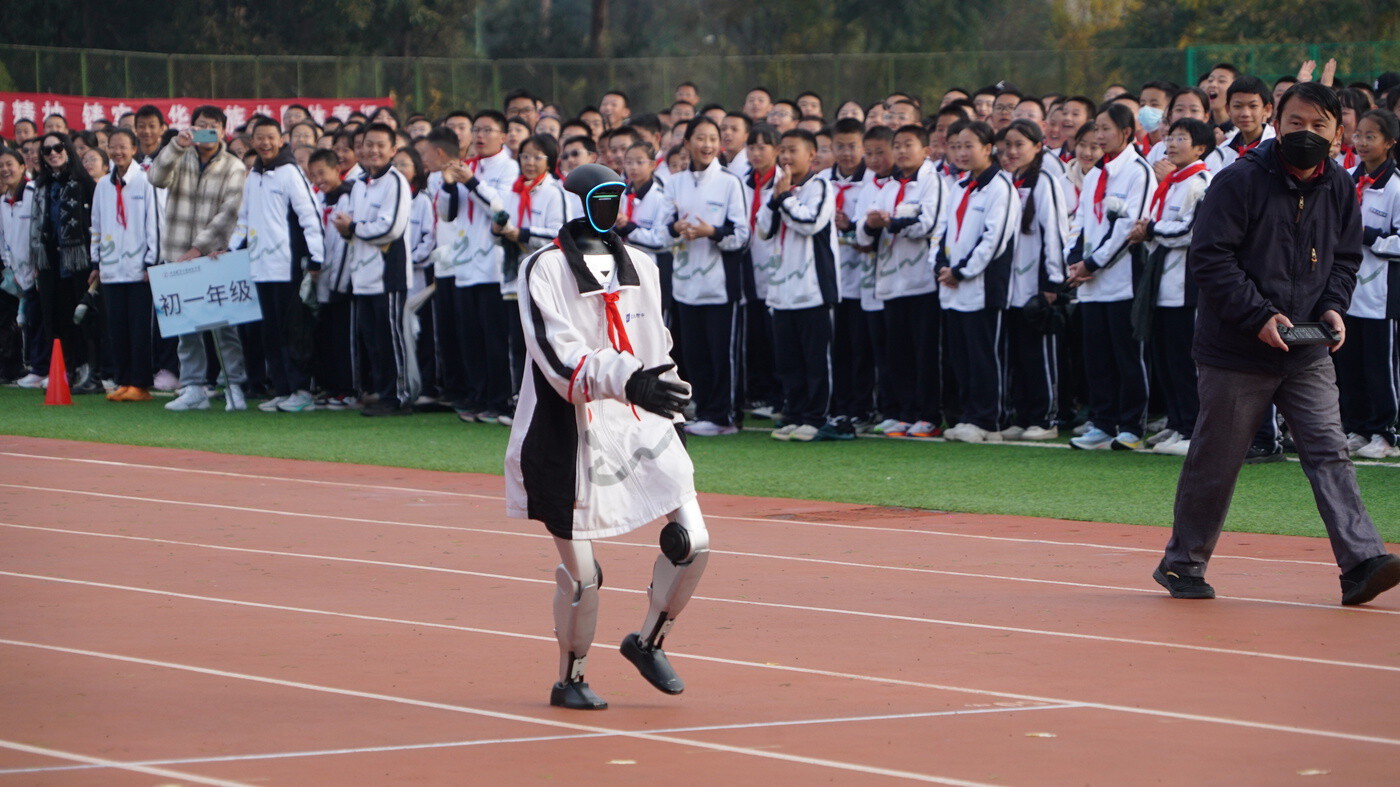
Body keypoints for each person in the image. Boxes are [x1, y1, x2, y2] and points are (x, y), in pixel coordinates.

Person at [1154, 82, 1400, 607]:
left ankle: (1361, 562)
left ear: (1338, 134)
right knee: (1217, 459)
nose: (1306, 133)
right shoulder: (1238, 179)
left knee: (1330, 451)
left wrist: (1333, 306)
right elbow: (1210, 258)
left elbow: (1346, 258)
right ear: (1276, 123)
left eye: (1319, 125)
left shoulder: (1339, 185)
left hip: (1307, 348)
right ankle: (1183, 563)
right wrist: (1259, 316)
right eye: (1295, 123)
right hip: (1236, 351)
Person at [507, 162, 707, 710]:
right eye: (600, 196)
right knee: (583, 576)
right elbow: (557, 357)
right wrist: (627, 380)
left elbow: (657, 344)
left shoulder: (642, 264)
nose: (610, 205)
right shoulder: (543, 268)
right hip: (568, 432)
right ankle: (570, 678)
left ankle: (649, 641)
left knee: (693, 542)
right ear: (575, 201)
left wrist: (671, 407)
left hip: (642, 421)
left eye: (615, 195)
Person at [1065, 103, 1156, 450]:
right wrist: (1073, 260)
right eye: (1097, 129)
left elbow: (1128, 229)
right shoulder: (1094, 174)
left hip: (1123, 280)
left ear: (1127, 132)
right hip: (1090, 281)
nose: (1100, 136)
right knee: (1097, 356)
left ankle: (1132, 425)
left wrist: (1092, 263)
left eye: (1106, 129)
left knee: (1127, 355)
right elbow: (1080, 221)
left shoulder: (1138, 171)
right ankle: (1102, 422)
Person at [148, 106, 249, 412]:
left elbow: (229, 212)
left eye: (213, 125)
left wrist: (199, 247)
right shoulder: (180, 156)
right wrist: (176, 146)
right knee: (185, 326)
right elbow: (156, 178)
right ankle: (193, 388)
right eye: (201, 125)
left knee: (224, 327)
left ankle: (233, 386)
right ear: (191, 127)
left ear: (224, 131)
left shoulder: (234, 166)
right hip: (176, 254)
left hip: (215, 256)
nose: (207, 130)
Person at [656, 117, 750, 436]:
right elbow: (661, 234)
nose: (707, 145)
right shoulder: (674, 183)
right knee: (695, 354)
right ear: (687, 143)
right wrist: (676, 229)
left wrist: (711, 232)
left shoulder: (729, 182)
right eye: (700, 138)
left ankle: (725, 416)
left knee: (722, 353)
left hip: (721, 285)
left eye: (712, 138)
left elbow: (741, 235)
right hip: (686, 284)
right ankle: (706, 410)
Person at [1128, 118, 1213, 457]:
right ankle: (1177, 423)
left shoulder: (1200, 183)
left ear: (1200, 148)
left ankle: (1194, 429)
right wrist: (1148, 230)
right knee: (1164, 359)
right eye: (1171, 137)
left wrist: (1151, 230)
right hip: (1161, 286)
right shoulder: (1172, 182)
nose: (1172, 144)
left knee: (1184, 361)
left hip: (1185, 288)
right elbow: (1158, 225)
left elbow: (1190, 231)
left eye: (1181, 138)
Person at [856, 124, 947, 438]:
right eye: (898, 145)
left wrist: (892, 222)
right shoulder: (888, 186)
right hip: (890, 282)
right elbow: (862, 233)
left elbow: (929, 223)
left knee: (925, 352)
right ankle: (905, 413)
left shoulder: (933, 181)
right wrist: (871, 225)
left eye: (909, 145)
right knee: (898, 353)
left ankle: (929, 415)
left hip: (922, 281)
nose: (902, 151)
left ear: (926, 151)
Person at [230, 117, 325, 413]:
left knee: (291, 331)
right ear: (253, 141)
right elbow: (244, 219)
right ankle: (282, 389)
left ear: (281, 140)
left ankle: (301, 390)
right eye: (260, 138)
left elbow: (309, 215)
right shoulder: (253, 176)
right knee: (269, 332)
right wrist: (231, 249)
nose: (265, 143)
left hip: (287, 267)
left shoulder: (290, 173)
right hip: (260, 267)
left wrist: (316, 256)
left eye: (270, 137)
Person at [937, 120, 1021, 443]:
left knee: (984, 355)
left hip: (984, 287)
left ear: (988, 149)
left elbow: (993, 241)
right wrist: (941, 265)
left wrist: (960, 271)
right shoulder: (959, 186)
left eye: (968, 146)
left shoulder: (1001, 187)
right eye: (956, 146)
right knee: (961, 356)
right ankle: (968, 415)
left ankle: (988, 420)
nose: (961, 152)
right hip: (953, 287)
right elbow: (943, 231)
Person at [757, 129, 839, 442]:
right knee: (788, 361)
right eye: (784, 151)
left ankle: (816, 418)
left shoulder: (821, 186)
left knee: (816, 360)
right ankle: (794, 413)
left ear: (811, 155)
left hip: (813, 289)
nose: (787, 157)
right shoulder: (778, 187)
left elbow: (810, 222)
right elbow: (763, 229)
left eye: (794, 151)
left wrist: (784, 198)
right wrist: (776, 198)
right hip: (781, 290)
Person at [440, 110, 519, 423]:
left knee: (495, 337)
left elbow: (501, 210)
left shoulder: (510, 167)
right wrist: (449, 185)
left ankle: (500, 400)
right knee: (470, 337)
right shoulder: (467, 166)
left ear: (503, 136)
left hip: (494, 265)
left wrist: (471, 182)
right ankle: (477, 396)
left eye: (488, 130)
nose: (480, 136)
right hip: (465, 263)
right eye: (476, 130)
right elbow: (447, 214)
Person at [331, 123, 414, 417]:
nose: (373, 151)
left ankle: (398, 397)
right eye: (368, 144)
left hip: (388, 275)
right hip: (362, 275)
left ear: (393, 150)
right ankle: (381, 392)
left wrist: (353, 227)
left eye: (380, 145)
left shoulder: (396, 182)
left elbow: (390, 228)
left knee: (391, 339)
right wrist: (346, 229)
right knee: (373, 340)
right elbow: (353, 228)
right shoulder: (360, 184)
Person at [997, 119, 1069, 441]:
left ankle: (1046, 417)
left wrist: (1053, 281)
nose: (1012, 152)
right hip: (1009, 285)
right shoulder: (1006, 181)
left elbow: (1055, 232)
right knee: (1016, 352)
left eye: (1019, 145)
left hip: (1036, 283)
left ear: (1038, 147)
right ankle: (1023, 414)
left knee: (1039, 352)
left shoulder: (1045, 182)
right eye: (1007, 145)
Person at [1335, 109, 1400, 460]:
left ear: (1389, 142)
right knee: (1350, 364)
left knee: (1380, 366)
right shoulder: (1346, 179)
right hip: (1348, 291)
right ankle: (1357, 427)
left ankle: (1385, 431)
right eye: (1358, 134)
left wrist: (1367, 235)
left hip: (1381, 293)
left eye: (1370, 136)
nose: (1360, 142)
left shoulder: (1396, 187)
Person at [29, 132, 100, 394]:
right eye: (46, 150)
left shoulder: (85, 183)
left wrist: (96, 262)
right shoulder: (41, 186)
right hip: (50, 262)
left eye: (58, 147)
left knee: (82, 317)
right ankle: (62, 369)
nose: (53, 153)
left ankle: (89, 370)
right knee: (54, 317)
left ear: (67, 149)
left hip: (79, 261)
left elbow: (97, 223)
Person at [90, 128, 157, 402]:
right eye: (113, 147)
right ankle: (123, 380)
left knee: (139, 329)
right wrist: (96, 261)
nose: (117, 152)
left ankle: (140, 384)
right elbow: (96, 224)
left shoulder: (147, 180)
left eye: (123, 147)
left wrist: (151, 261)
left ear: (134, 149)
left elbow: (154, 222)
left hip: (139, 268)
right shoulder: (103, 186)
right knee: (116, 328)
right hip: (110, 268)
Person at [495, 133, 565, 397]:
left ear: (550, 160)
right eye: (525, 156)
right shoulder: (512, 192)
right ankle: (518, 397)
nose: (530, 162)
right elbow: (500, 235)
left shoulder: (554, 192)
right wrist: (499, 230)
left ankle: (543, 398)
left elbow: (559, 233)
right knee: (516, 341)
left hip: (543, 277)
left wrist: (522, 234)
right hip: (514, 277)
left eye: (537, 156)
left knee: (541, 341)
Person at [822, 117, 874, 438]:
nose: (846, 152)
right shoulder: (822, 181)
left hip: (863, 276)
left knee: (861, 347)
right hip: (832, 278)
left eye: (852, 146)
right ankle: (839, 405)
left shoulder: (872, 180)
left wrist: (850, 226)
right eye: (839, 146)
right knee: (837, 346)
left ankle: (862, 407)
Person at [0, 148, 46, 388]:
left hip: (38, 270)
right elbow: (4, 239)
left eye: (9, 164)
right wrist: (9, 267)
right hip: (16, 274)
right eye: (1, 166)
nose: (5, 169)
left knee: (39, 320)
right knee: (27, 320)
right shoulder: (2, 201)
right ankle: (35, 366)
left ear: (21, 166)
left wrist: (39, 265)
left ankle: (41, 367)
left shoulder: (34, 192)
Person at [1204, 76, 1275, 174]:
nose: (1245, 113)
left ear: (1267, 109)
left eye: (1253, 106)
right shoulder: (1221, 152)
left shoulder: (1277, 148)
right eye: (1237, 106)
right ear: (1228, 109)